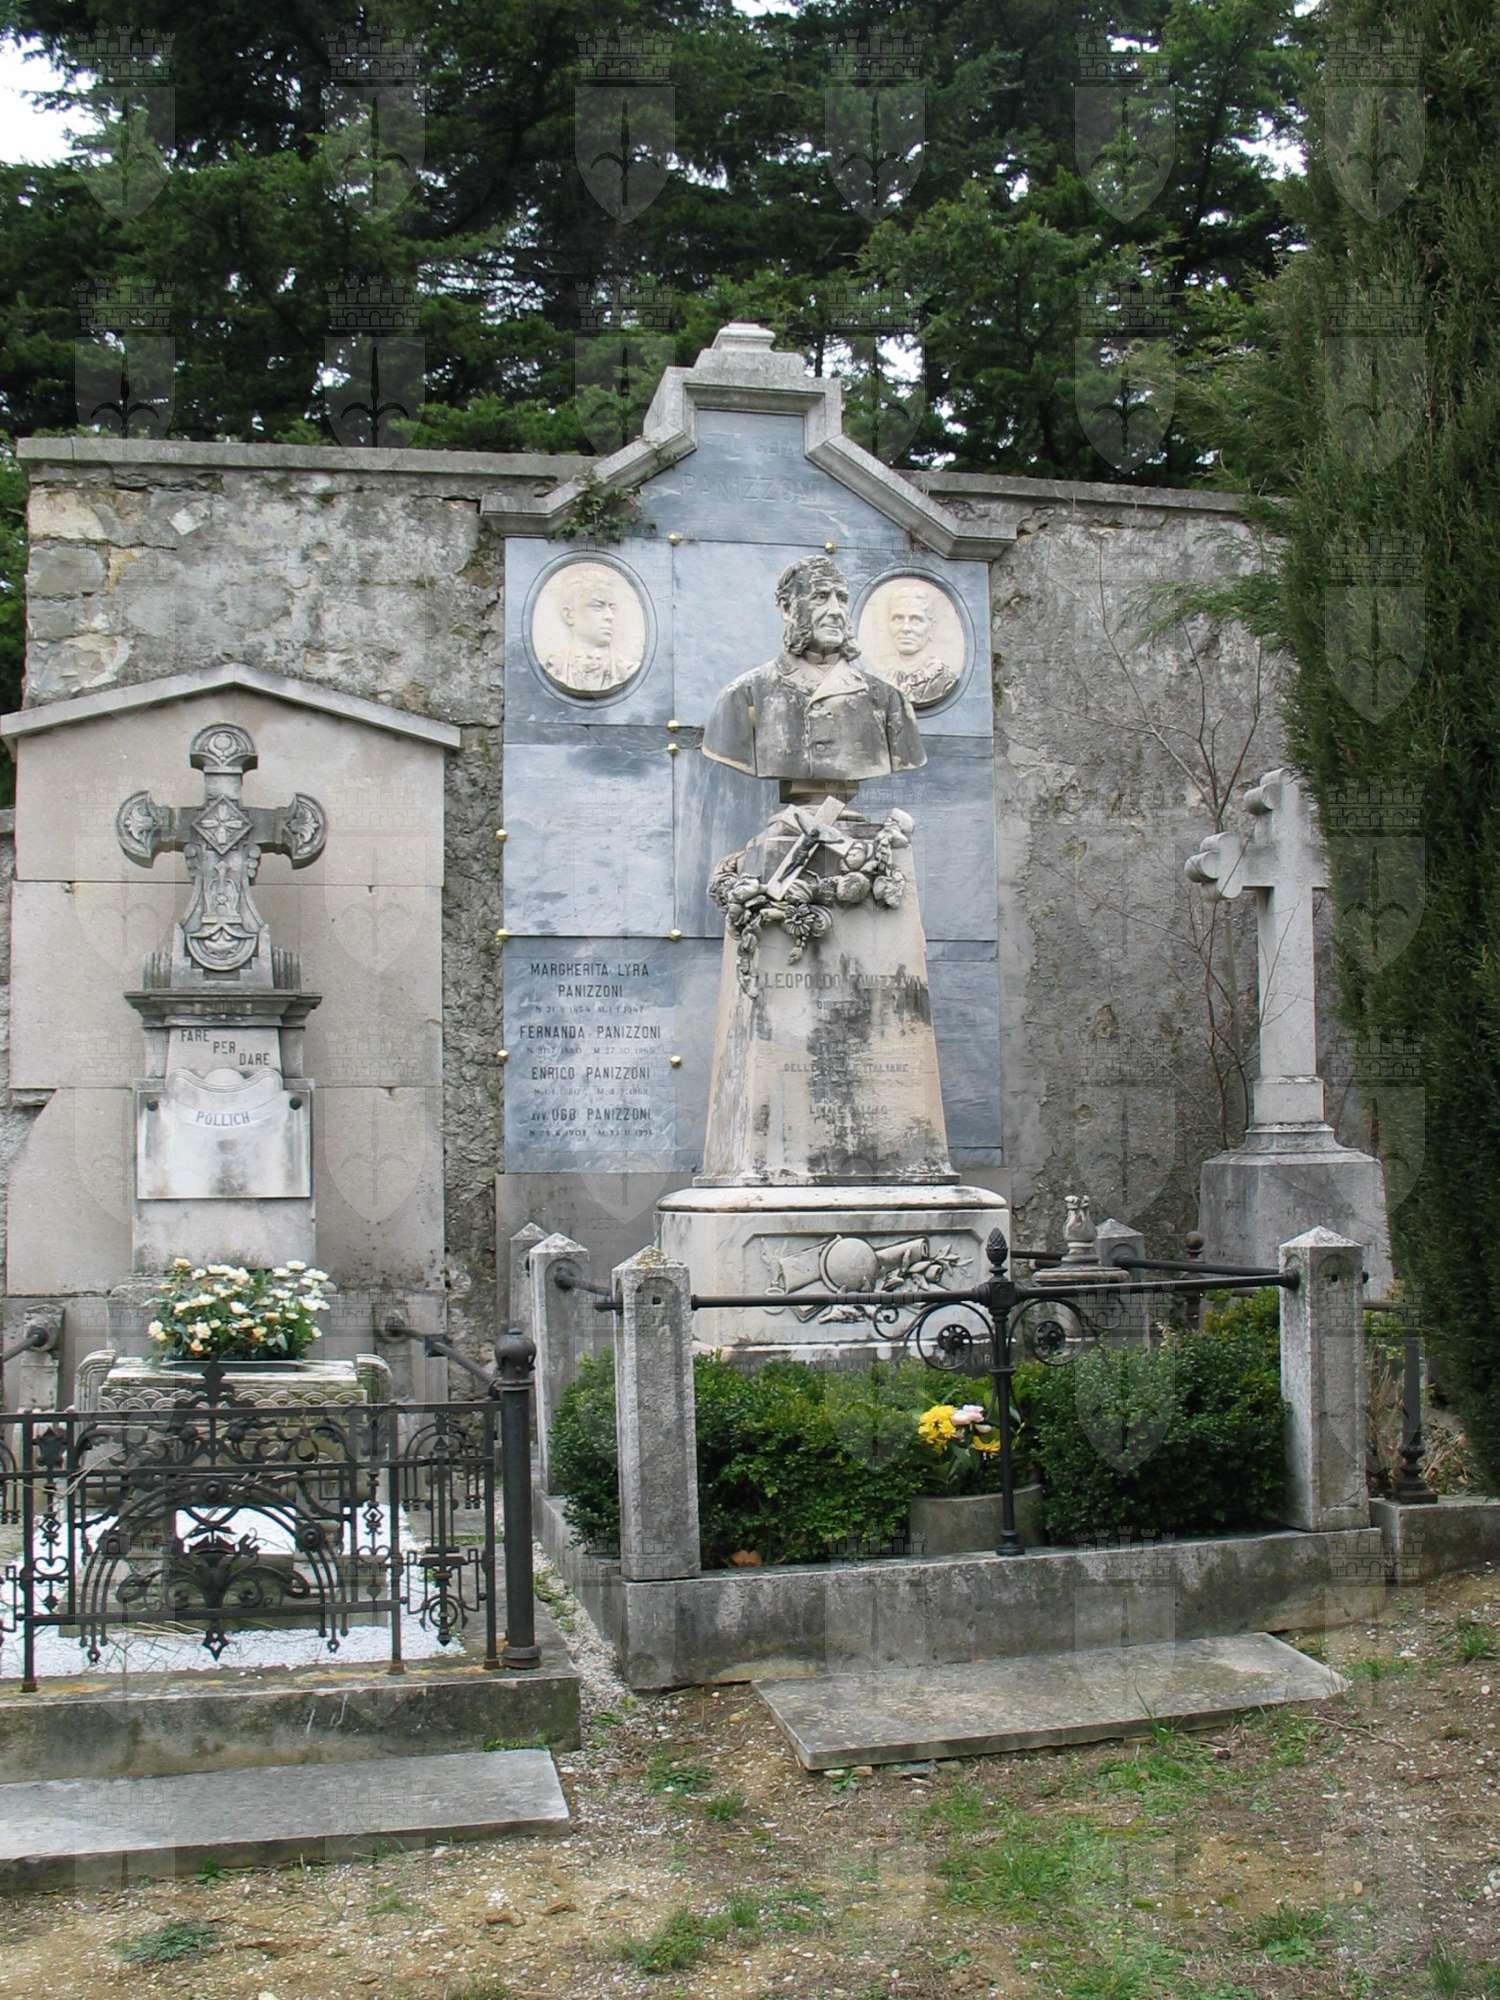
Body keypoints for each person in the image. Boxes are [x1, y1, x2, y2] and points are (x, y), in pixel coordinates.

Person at [702, 555, 924, 798]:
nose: (836, 611)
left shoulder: (889, 701)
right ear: (787, 607)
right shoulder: (742, 696)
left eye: (842, 599)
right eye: (820, 597)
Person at [541, 567, 638, 694]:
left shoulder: (627, 669)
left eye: (612, 608)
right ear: (569, 615)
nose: (610, 616)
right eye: (598, 607)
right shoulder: (553, 667)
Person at [881, 582, 959, 706]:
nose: (905, 628)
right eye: (898, 618)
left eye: (915, 620)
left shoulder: (944, 681)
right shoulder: (882, 678)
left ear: (932, 627)